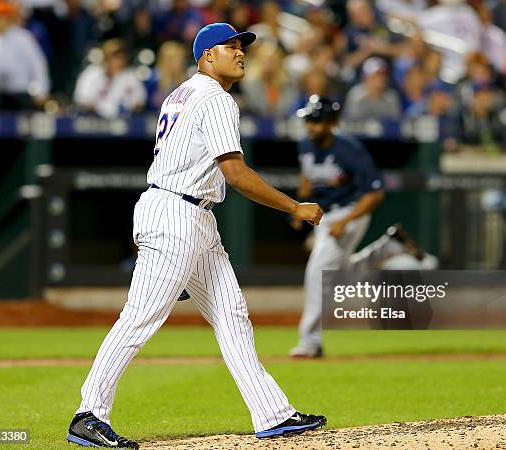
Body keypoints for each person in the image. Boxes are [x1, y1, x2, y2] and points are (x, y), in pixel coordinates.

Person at [66, 22, 326, 449]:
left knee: (232, 314)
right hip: (176, 214)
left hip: (188, 213)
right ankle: (88, 414)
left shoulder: (180, 93)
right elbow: (236, 174)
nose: (241, 52)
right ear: (208, 56)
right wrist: (294, 206)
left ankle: (273, 413)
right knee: (139, 319)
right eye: (232, 47)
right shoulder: (215, 98)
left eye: (243, 46)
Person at [290, 95, 385, 358]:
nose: (310, 125)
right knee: (341, 274)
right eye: (308, 119)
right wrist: (299, 208)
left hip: (350, 213)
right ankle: (387, 250)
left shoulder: (349, 149)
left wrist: (345, 221)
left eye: (316, 120)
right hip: (325, 217)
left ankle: (310, 341)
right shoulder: (305, 145)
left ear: (332, 123)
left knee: (318, 270)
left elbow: (375, 194)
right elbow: (308, 179)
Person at [0, 0, 50, 110]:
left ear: (5, 18)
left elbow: (38, 64)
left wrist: (42, 91)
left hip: (21, 93)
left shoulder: (23, 37)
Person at [73, 38, 147, 118]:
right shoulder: (92, 73)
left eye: (121, 57)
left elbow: (140, 101)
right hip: (94, 119)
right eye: (115, 57)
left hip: (125, 120)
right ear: (105, 58)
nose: (119, 61)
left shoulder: (130, 76)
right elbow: (81, 99)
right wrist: (98, 108)